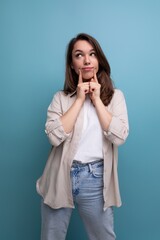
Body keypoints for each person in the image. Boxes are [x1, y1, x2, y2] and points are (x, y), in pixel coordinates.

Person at [36, 33, 129, 240]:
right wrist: (79, 100)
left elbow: (119, 137)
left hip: (95, 179)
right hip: (59, 175)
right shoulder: (60, 99)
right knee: (51, 237)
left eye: (92, 54)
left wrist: (96, 100)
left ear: (99, 60)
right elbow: (54, 137)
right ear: (71, 64)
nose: (87, 60)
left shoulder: (115, 97)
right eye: (79, 55)